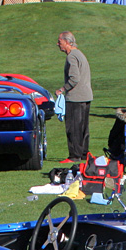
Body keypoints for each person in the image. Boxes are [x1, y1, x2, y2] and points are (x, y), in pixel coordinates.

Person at [55, 31, 92, 163]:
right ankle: (83, 153)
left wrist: (62, 89)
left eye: (60, 41)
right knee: (83, 128)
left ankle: (74, 155)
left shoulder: (71, 56)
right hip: (86, 96)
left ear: (67, 42)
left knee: (73, 127)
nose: (58, 44)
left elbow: (74, 78)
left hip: (76, 97)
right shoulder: (80, 54)